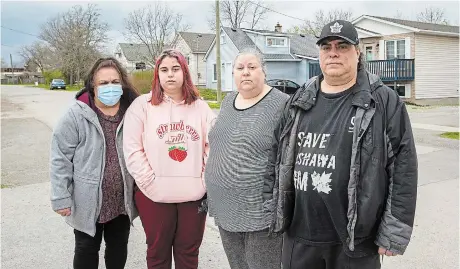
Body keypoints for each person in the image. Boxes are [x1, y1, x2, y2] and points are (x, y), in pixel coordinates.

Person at [265, 20, 418, 269]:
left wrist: (394, 231)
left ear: (357, 53)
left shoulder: (383, 101)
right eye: (326, 47)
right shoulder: (299, 99)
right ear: (320, 54)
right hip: (299, 237)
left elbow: (403, 168)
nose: (333, 52)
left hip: (355, 242)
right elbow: (276, 157)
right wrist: (274, 211)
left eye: (342, 46)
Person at [123, 49, 216, 269]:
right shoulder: (142, 106)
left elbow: (213, 144)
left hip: (193, 196)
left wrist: (203, 181)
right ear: (157, 75)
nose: (170, 75)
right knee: (157, 254)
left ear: (185, 72)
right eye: (164, 70)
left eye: (175, 69)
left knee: (188, 253)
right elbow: (132, 150)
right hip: (153, 195)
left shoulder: (200, 107)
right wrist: (150, 183)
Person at [50, 57, 140, 269]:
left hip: (121, 200)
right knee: (86, 249)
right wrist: (60, 196)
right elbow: (60, 156)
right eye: (104, 83)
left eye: (115, 82)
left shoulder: (133, 112)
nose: (111, 87)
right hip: (87, 200)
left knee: (118, 247)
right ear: (92, 86)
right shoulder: (76, 114)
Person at [204, 48, 289, 269]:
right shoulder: (228, 101)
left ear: (264, 71)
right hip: (225, 209)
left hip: (260, 212)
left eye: (252, 67)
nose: (246, 73)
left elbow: (289, 156)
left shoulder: (281, 104)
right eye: (240, 68)